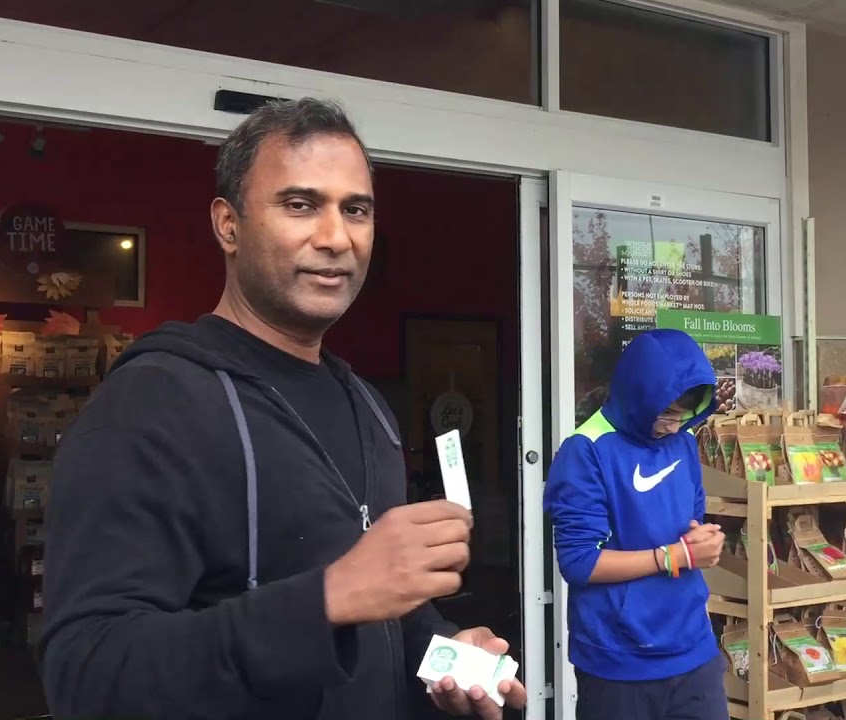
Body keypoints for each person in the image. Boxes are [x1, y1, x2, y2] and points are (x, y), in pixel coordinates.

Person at [40, 98, 526, 720]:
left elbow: (384, 618)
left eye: (356, 210)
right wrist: (327, 597)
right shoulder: (152, 404)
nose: (335, 237)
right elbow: (87, 674)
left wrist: (446, 656)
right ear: (228, 224)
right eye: (300, 205)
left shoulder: (369, 408)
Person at [544, 329, 729, 720]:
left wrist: (703, 539)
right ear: (639, 395)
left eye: (685, 414)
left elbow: (691, 519)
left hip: (693, 649)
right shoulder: (586, 450)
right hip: (618, 661)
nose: (674, 425)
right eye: (666, 412)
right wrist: (674, 557)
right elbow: (579, 562)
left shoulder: (683, 441)